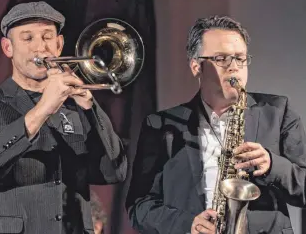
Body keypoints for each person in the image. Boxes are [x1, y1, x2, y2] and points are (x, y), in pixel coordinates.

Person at [126, 15, 306, 234]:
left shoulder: (278, 112)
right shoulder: (160, 125)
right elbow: (139, 207)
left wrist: (272, 165)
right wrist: (187, 224)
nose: (234, 68)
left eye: (240, 58)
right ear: (196, 67)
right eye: (221, 59)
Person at [0, 1, 127, 234]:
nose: (40, 48)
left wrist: (89, 107)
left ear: (59, 45)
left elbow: (114, 172)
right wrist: (43, 110)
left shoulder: (75, 107)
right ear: (8, 47)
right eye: (27, 39)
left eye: (47, 37)